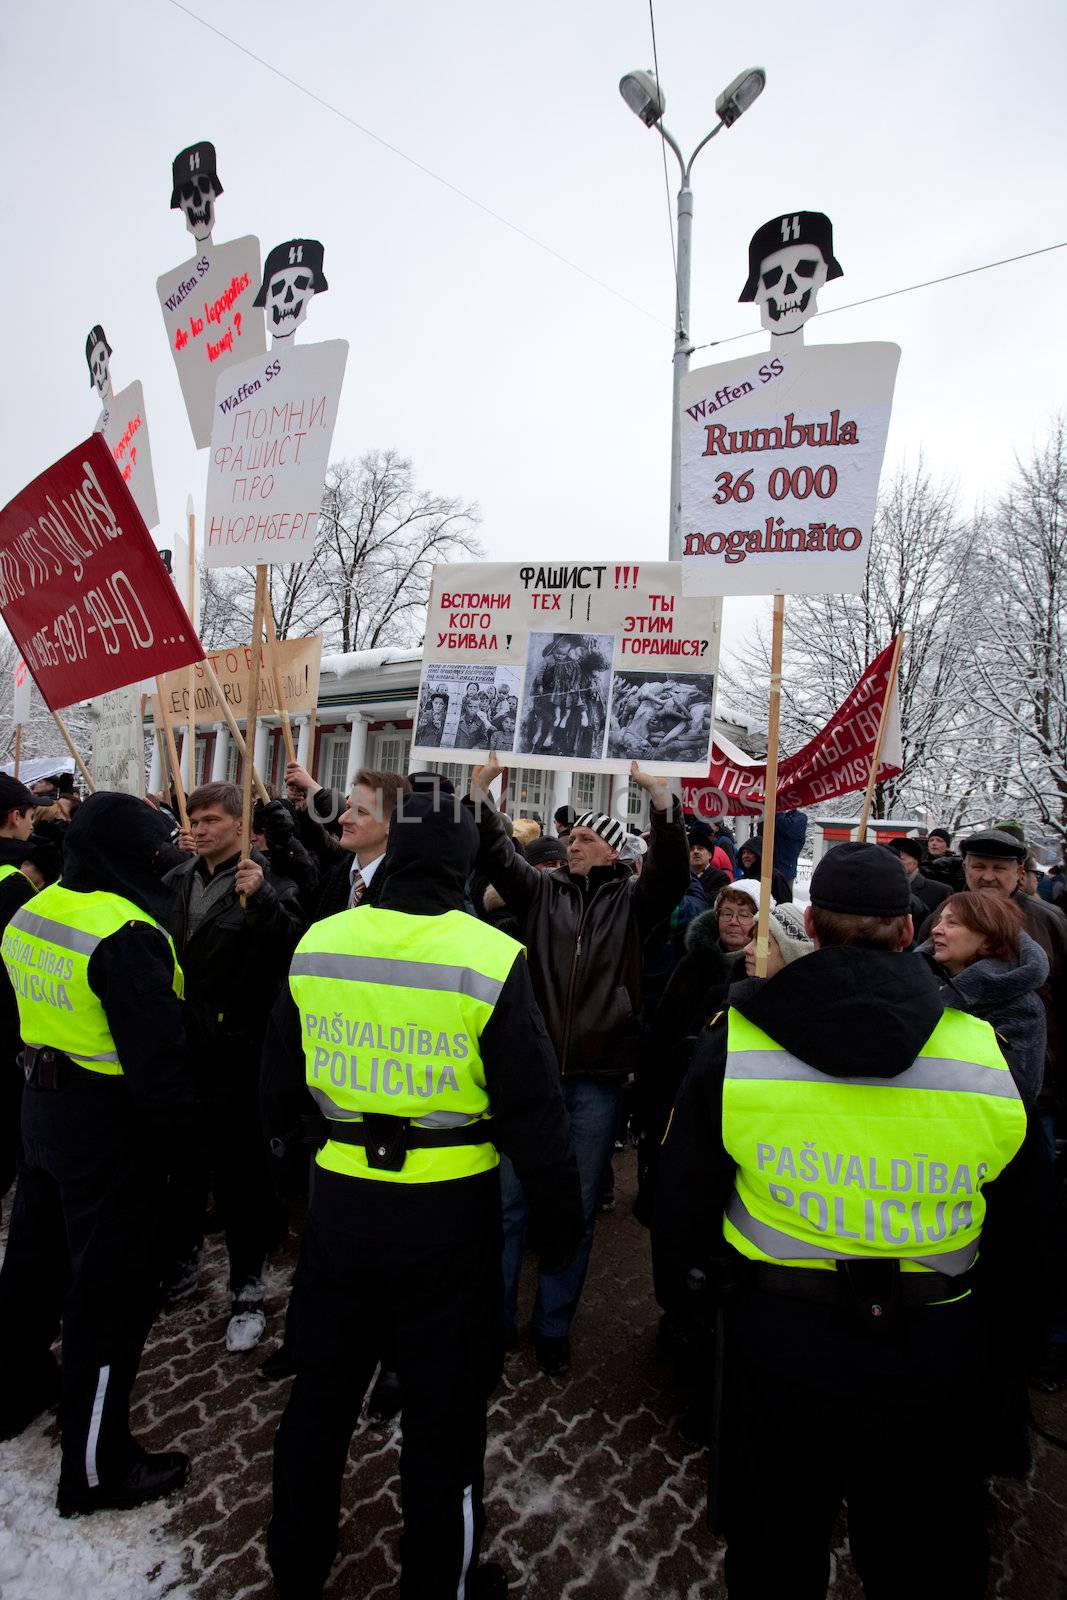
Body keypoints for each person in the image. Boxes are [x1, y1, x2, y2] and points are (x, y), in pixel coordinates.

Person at [656, 841, 1030, 1598]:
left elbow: (680, 1197)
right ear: (905, 931)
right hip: (931, 1351)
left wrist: (692, 1309)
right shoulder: (979, 1048)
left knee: (774, 1550)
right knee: (919, 1557)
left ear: (813, 930)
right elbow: (1028, 1224)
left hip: (778, 1345)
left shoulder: (738, 1041)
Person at [262, 790, 582, 1600]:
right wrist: (559, 1223)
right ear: (468, 861)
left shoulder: (319, 941)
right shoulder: (487, 955)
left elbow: (275, 1081)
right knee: (445, 1413)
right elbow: (534, 1110)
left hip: (338, 1201)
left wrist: (303, 1145)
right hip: (448, 1214)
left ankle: (296, 1563)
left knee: (322, 1395)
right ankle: (439, 1578)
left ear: (394, 853)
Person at [0, 794, 196, 1513]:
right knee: (107, 1299)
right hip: (108, 1126)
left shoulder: (35, 906)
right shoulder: (126, 931)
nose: (168, 863)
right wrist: (180, 1163)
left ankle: (13, 1392)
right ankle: (94, 1470)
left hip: (40, 1104)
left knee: (31, 1265)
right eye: (156, 851)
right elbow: (160, 1072)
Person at [467, 754, 689, 1376]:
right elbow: (497, 856)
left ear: (614, 853)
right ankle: (498, 1320)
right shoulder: (542, 892)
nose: (573, 846)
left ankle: (554, 1325)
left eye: (586, 838)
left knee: (579, 1205)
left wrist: (661, 803)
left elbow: (671, 871)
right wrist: (481, 794)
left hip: (598, 1078)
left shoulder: (634, 903)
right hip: (532, 1075)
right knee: (509, 1201)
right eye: (571, 839)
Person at [161, 781, 304, 1349]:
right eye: (193, 817)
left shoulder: (271, 884)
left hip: (240, 1055)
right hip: (184, 1049)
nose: (197, 827)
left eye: (212, 819)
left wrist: (264, 902)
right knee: (184, 1168)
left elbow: (291, 954)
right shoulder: (174, 879)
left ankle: (248, 1285)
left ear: (243, 826)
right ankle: (183, 1261)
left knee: (243, 1179)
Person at [917, 891, 1048, 1108]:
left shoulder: (1021, 1007)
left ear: (987, 939)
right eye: (939, 921)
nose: (936, 930)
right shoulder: (919, 987)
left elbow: (1018, 1091)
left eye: (952, 923)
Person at [888, 834, 951, 916]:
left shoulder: (940, 891)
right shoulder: (882, 886)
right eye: (891, 858)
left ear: (915, 862)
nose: (894, 862)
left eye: (901, 858)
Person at [735, 836, 791, 904]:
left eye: (750, 852)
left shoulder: (774, 877)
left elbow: (785, 906)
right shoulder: (741, 879)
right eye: (743, 852)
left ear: (760, 853)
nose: (745, 856)